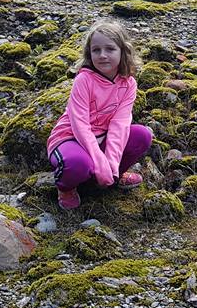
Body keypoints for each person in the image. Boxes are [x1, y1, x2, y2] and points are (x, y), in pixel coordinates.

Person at [46, 19, 153, 210]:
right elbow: (80, 125)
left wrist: (111, 163)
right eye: (96, 50)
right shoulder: (83, 80)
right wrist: (99, 159)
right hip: (71, 138)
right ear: (89, 54)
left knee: (142, 135)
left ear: (123, 51)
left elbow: (120, 124)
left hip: (102, 138)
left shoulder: (128, 83)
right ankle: (66, 188)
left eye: (110, 49)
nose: (102, 55)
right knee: (77, 164)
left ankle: (115, 175)